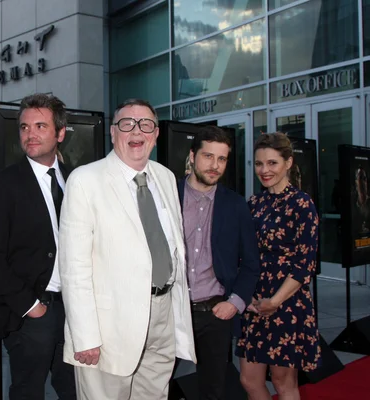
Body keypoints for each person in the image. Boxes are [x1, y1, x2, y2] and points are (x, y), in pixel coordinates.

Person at [59, 98, 196, 400]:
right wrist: (85, 336)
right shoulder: (85, 181)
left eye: (145, 124)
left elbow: (173, 247)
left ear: (156, 134)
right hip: (109, 327)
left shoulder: (166, 177)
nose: (136, 131)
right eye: (127, 124)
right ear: (112, 132)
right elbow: (73, 267)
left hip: (163, 315)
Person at [0, 93, 76, 400]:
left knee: (76, 391)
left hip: (76, 311)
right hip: (31, 312)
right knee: (27, 393)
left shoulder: (76, 180)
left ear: (59, 133)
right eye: (23, 127)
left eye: (40, 126)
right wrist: (32, 308)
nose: (30, 134)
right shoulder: (2, 184)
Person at [177, 125, 259, 400]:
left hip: (214, 313)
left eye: (221, 159)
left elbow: (250, 262)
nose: (214, 165)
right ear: (192, 156)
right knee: (154, 387)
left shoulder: (235, 205)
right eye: (208, 156)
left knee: (212, 391)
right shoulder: (166, 196)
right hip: (170, 311)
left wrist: (235, 303)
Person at [237, 132, 321, 400]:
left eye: (272, 163)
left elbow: (304, 263)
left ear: (288, 163)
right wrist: (247, 295)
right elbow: (242, 254)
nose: (265, 170)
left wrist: (275, 300)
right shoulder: (254, 204)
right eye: (259, 164)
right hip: (255, 301)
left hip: (287, 303)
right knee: (249, 380)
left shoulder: (302, 204)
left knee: (284, 382)